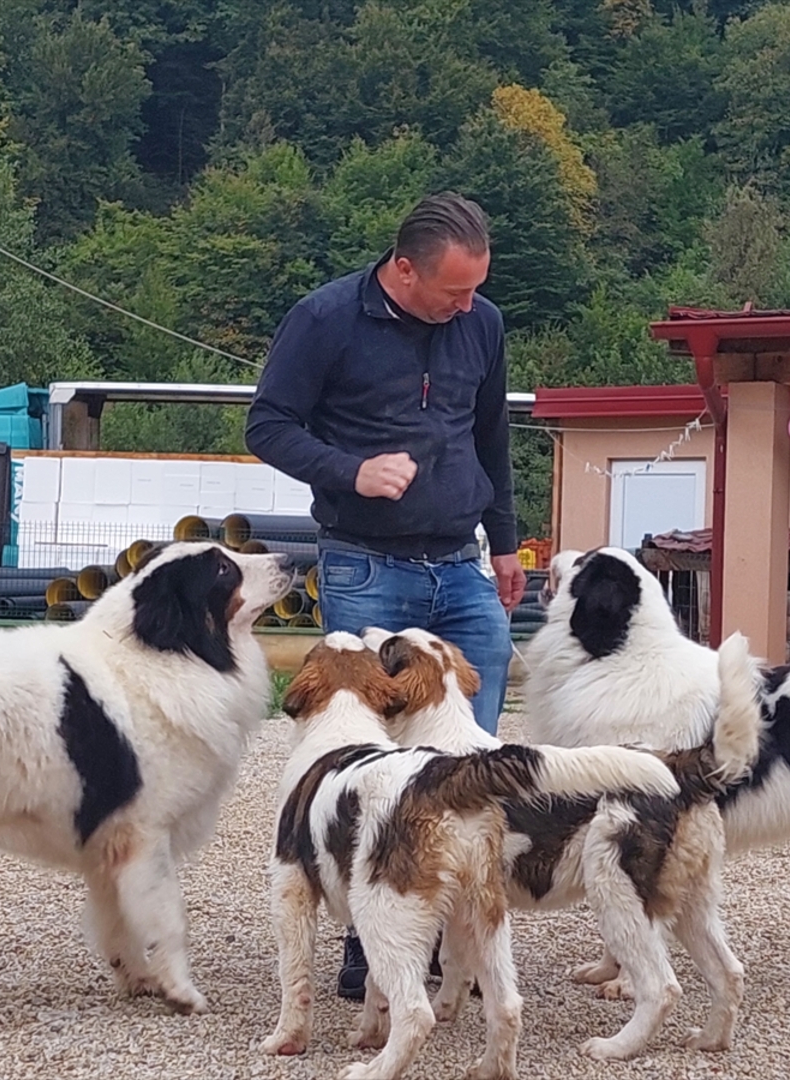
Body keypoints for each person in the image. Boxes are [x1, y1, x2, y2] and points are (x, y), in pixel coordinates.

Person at [245, 191, 526, 1000]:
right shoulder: (325, 319)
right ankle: (372, 949)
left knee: (467, 752)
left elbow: (490, 436)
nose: (469, 305)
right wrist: (350, 471)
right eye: (454, 291)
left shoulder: (485, 324)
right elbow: (267, 424)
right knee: (373, 759)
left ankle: (455, 938)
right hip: (366, 562)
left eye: (477, 288)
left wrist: (504, 542)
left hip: (461, 562)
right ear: (404, 269)